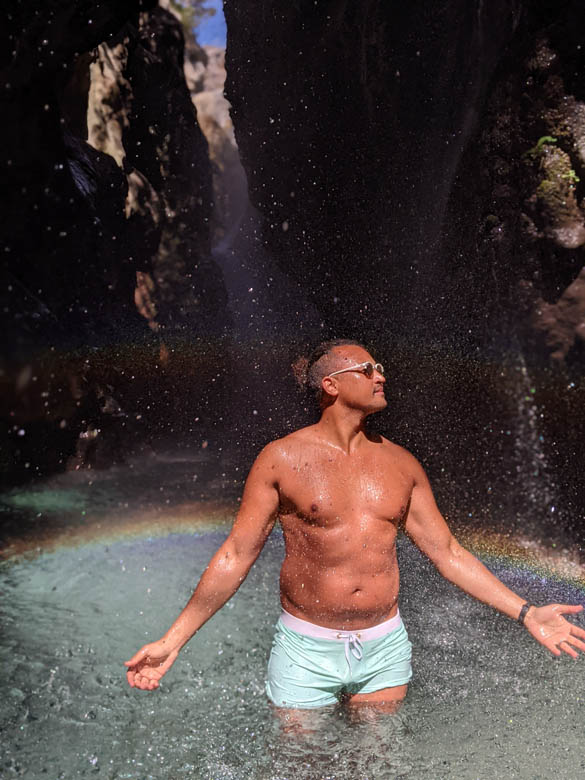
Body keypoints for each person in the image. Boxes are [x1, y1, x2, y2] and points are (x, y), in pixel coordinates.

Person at [125, 339, 585, 712]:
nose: (381, 375)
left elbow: (448, 553)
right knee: (304, 764)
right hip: (306, 646)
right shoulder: (281, 458)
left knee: (376, 762)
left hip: (384, 646)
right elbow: (236, 555)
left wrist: (527, 614)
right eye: (367, 369)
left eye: (379, 368)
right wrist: (173, 640)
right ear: (330, 384)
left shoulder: (402, 464)